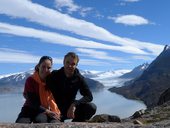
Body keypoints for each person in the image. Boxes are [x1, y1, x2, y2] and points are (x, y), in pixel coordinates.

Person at [46, 52, 97, 122]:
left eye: (73, 64)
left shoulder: (79, 78)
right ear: (63, 62)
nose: (70, 66)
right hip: (55, 109)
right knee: (54, 123)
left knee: (91, 107)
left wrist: (74, 104)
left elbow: (89, 96)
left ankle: (75, 124)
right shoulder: (54, 75)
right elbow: (42, 86)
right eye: (67, 62)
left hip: (70, 109)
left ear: (76, 65)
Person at [16, 56, 61, 123]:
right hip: (30, 108)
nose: (45, 70)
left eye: (48, 68)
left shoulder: (52, 80)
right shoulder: (31, 80)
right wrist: (47, 111)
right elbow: (32, 101)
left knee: (40, 121)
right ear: (38, 66)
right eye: (43, 66)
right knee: (20, 123)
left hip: (45, 109)